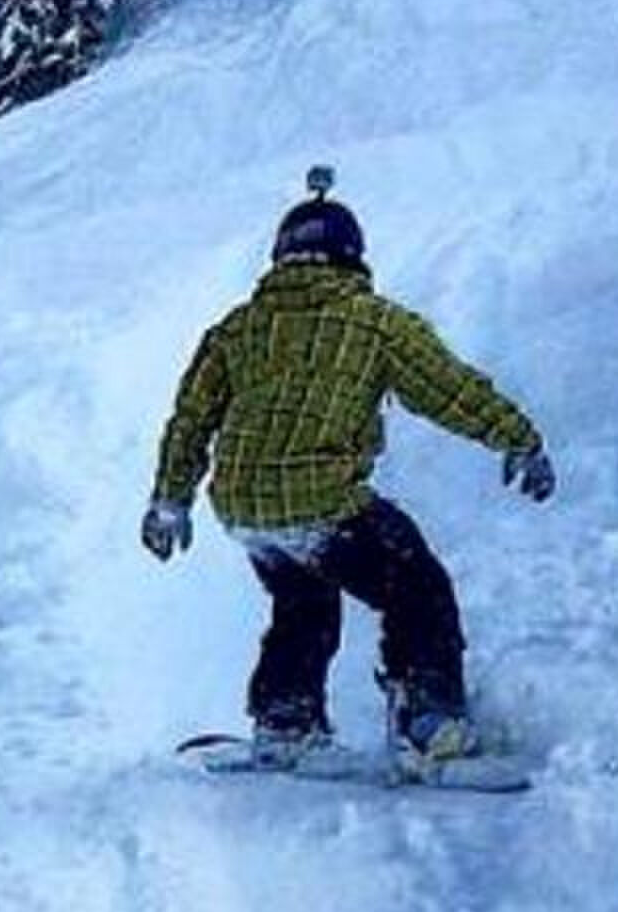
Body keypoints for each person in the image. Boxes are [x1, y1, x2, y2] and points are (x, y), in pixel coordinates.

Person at [143, 170, 555, 767]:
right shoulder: (374, 321)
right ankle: (428, 719)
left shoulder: (237, 327)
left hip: (245, 510)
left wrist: (170, 498)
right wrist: (517, 438)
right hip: (321, 502)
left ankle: (286, 722)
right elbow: (446, 388)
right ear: (351, 255)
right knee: (417, 587)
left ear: (282, 257)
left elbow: (191, 418)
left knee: (304, 601)